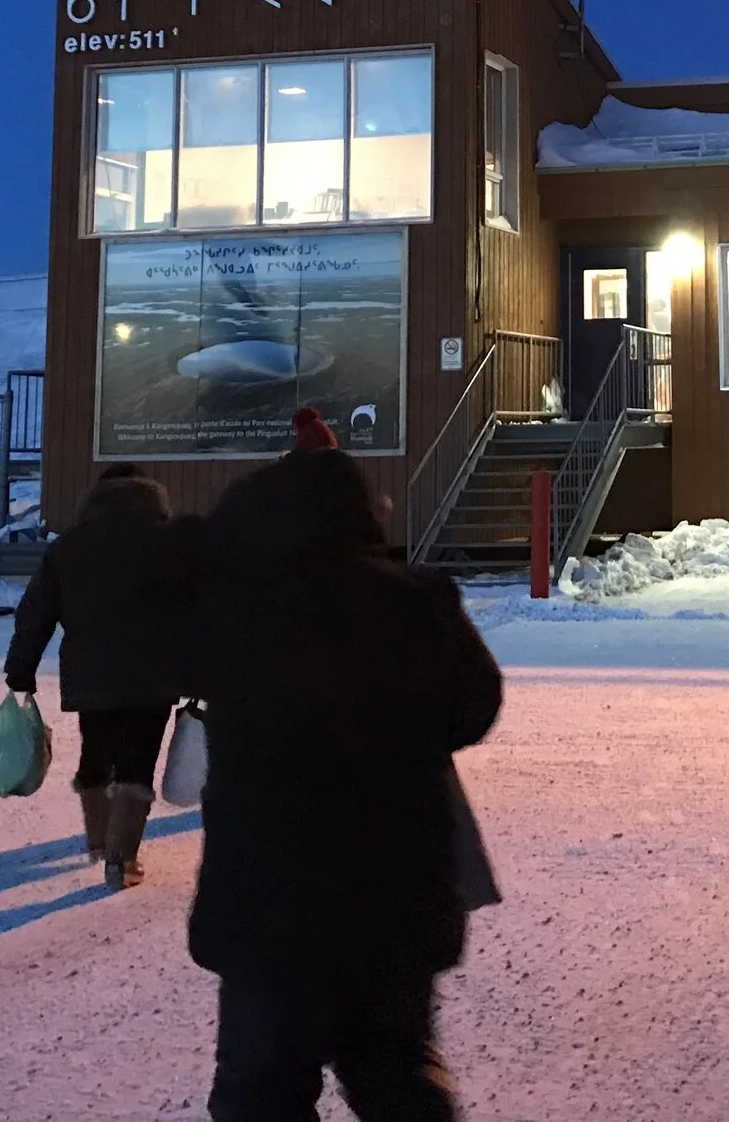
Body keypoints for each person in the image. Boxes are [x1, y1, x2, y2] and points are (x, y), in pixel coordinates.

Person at [192, 423, 503, 1122]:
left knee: (260, 1090)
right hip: (392, 890)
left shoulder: (237, 611)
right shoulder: (417, 602)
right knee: (397, 1075)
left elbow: (162, 649)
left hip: (265, 901)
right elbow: (475, 707)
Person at [2, 465, 199, 890]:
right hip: (155, 674)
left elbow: (35, 615)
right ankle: (122, 859)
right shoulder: (174, 544)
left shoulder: (70, 547)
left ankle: (97, 839)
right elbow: (202, 612)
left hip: (90, 674)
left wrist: (20, 672)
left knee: (97, 751)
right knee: (136, 762)